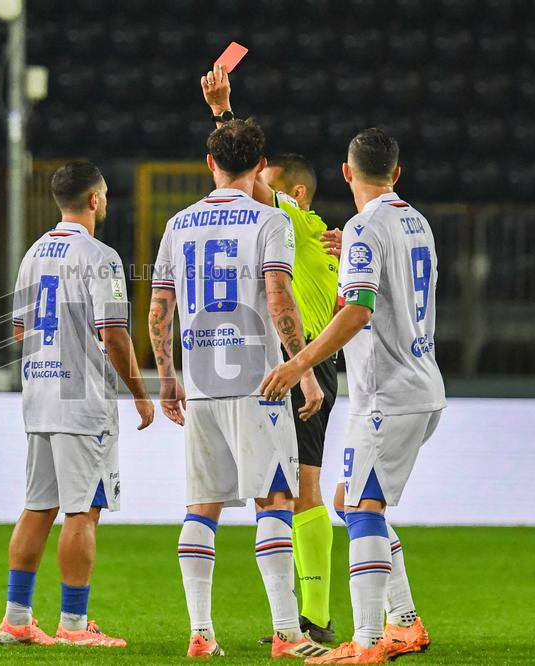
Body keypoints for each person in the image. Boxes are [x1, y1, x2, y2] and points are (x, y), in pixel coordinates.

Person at [260, 128, 443, 664]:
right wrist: (350, 257)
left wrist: (299, 361)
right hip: (422, 381)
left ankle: (366, 642)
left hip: (387, 392)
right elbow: (392, 292)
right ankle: (404, 621)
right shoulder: (416, 221)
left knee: (363, 506)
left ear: (347, 172)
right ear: (396, 174)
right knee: (350, 501)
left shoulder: (365, 226)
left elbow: (359, 311)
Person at [148, 119, 328, 660]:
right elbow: (278, 296)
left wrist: (167, 376)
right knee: (274, 496)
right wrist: (304, 367)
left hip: (201, 381)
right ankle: (288, 635)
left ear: (210, 163)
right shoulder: (270, 220)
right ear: (258, 166)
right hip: (259, 383)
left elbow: (160, 309)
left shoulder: (179, 223)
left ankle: (200, 633)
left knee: (201, 506)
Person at [202, 65, 340, 641]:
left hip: (303, 362)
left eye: (273, 183)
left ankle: (311, 618)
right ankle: (308, 617)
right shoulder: (320, 233)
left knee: (298, 491)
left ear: (295, 192)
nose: (263, 190)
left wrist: (221, 115)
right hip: (300, 360)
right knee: (295, 488)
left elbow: (244, 178)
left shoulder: (295, 220)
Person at [0, 161, 154, 649]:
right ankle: (72, 625)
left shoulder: (33, 254)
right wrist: (140, 394)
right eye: (104, 195)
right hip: (81, 402)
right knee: (82, 511)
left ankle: (16, 618)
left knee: (37, 507)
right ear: (93, 199)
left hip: (40, 397)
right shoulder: (101, 257)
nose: (105, 203)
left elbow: (21, 331)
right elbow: (113, 333)